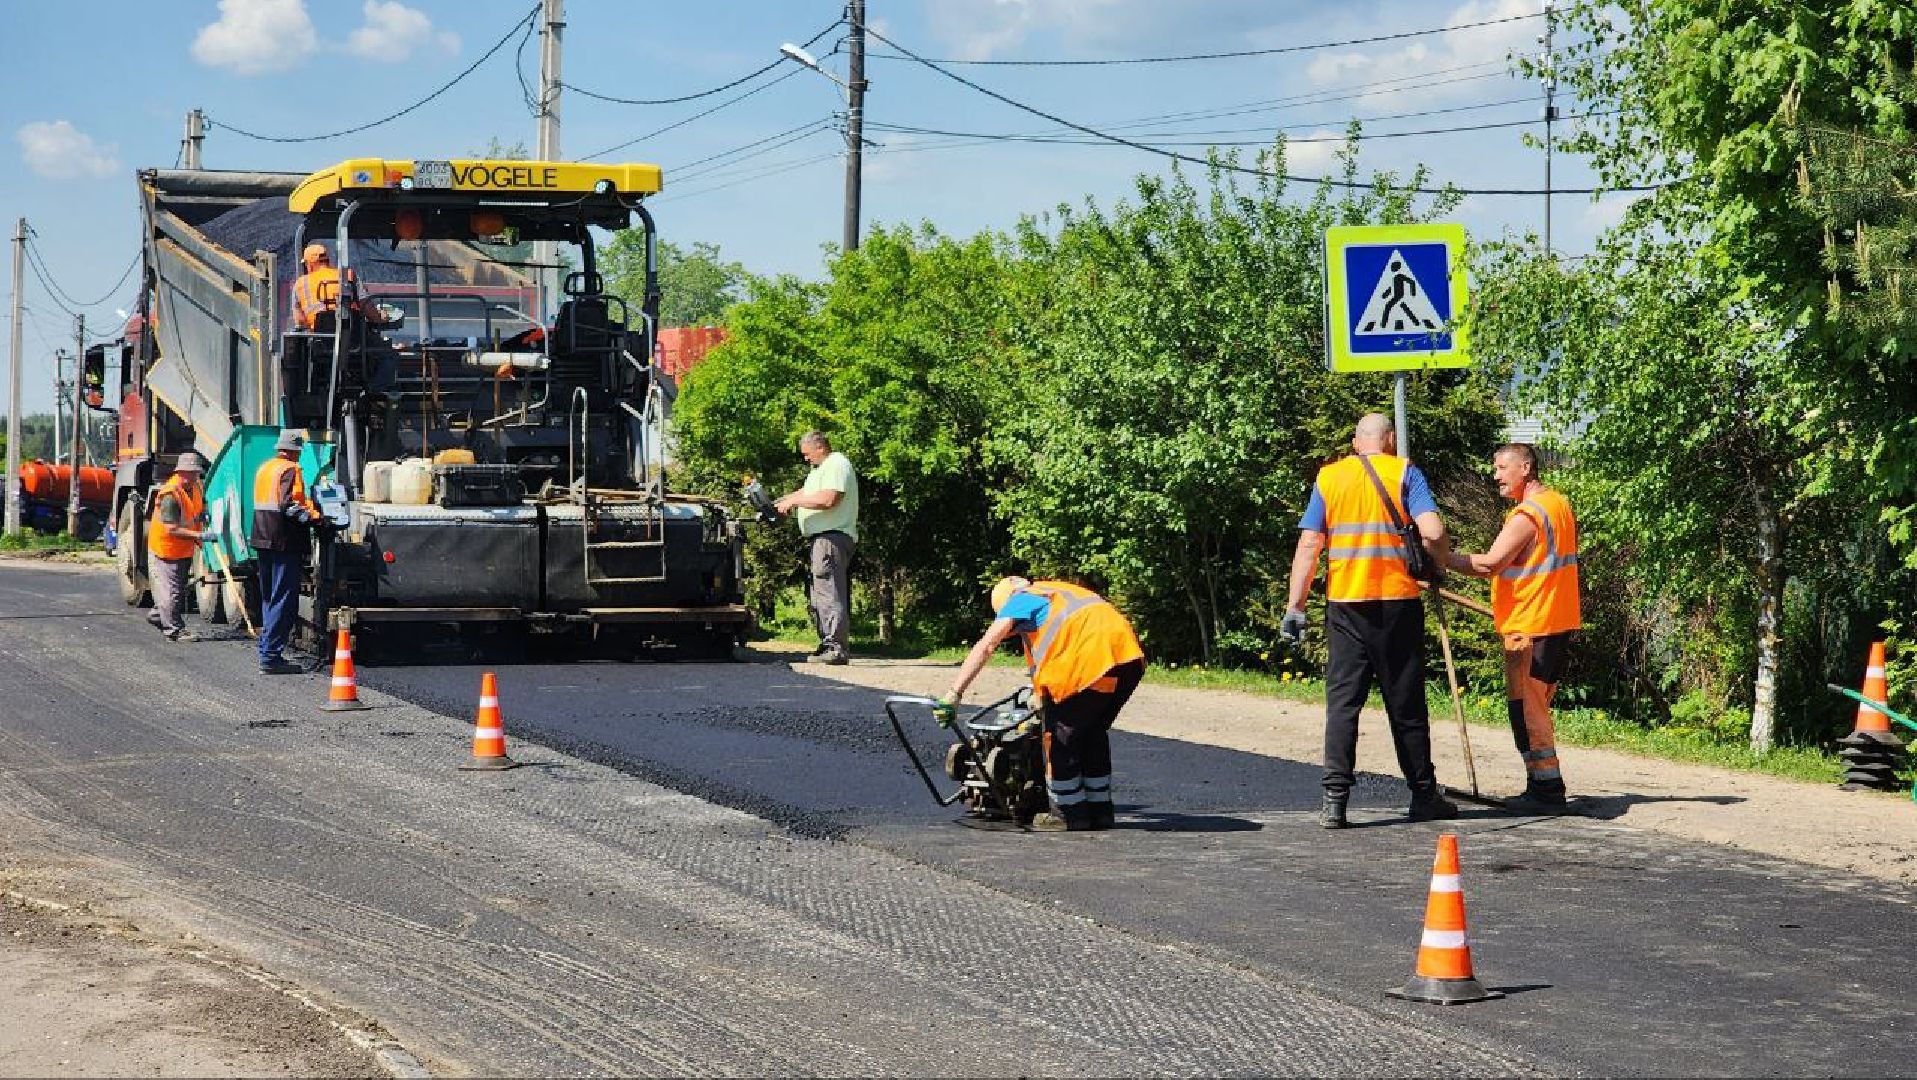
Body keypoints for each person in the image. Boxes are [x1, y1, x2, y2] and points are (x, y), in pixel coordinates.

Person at [1281, 412, 1457, 828]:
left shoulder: (1329, 478)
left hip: (1345, 605)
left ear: (1358, 442)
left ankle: (1334, 802)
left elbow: (1309, 545)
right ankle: (1422, 794)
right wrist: (1440, 562)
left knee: (1343, 703)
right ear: (1390, 439)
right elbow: (1432, 532)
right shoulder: (1404, 473)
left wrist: (1295, 606)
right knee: (1406, 703)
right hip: (1397, 604)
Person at [937, 576, 1145, 832]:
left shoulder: (1020, 601)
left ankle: (1068, 814)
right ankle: (1100, 810)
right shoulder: (1059, 592)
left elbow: (987, 645)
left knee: (1060, 738)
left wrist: (954, 693)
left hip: (1089, 661)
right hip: (1126, 660)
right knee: (1091, 733)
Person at [1446, 443, 1581, 812]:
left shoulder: (1528, 514)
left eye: (1502, 467)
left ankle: (1546, 791)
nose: (1496, 475)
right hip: (1553, 620)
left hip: (1531, 625)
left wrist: (1438, 559)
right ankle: (1542, 785)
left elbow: (1490, 564)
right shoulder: (1558, 504)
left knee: (1526, 710)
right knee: (1536, 706)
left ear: (1525, 468)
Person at [772, 431, 858, 665]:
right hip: (822, 539)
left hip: (831, 538)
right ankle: (827, 643)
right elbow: (806, 493)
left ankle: (836, 648)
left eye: (807, 454)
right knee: (820, 591)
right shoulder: (819, 471)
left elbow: (829, 499)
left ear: (820, 447)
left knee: (829, 589)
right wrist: (782, 501)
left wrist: (795, 502)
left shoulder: (836, 464)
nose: (806, 459)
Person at [250, 430, 322, 675]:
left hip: (262, 538)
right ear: (296, 450)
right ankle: (271, 657)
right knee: (283, 598)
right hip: (283, 541)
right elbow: (287, 505)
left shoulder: (265, 468)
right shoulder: (291, 469)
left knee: (269, 597)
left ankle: (266, 650)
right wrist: (314, 519)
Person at [145, 452, 211, 642]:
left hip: (183, 547)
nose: (195, 476)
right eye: (192, 473)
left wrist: (203, 514)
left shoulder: (196, 486)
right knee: (172, 591)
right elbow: (171, 528)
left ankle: (159, 615)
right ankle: (174, 630)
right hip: (166, 548)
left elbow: (200, 504)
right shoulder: (170, 495)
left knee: (177, 589)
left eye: (197, 472)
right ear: (181, 472)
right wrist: (199, 535)